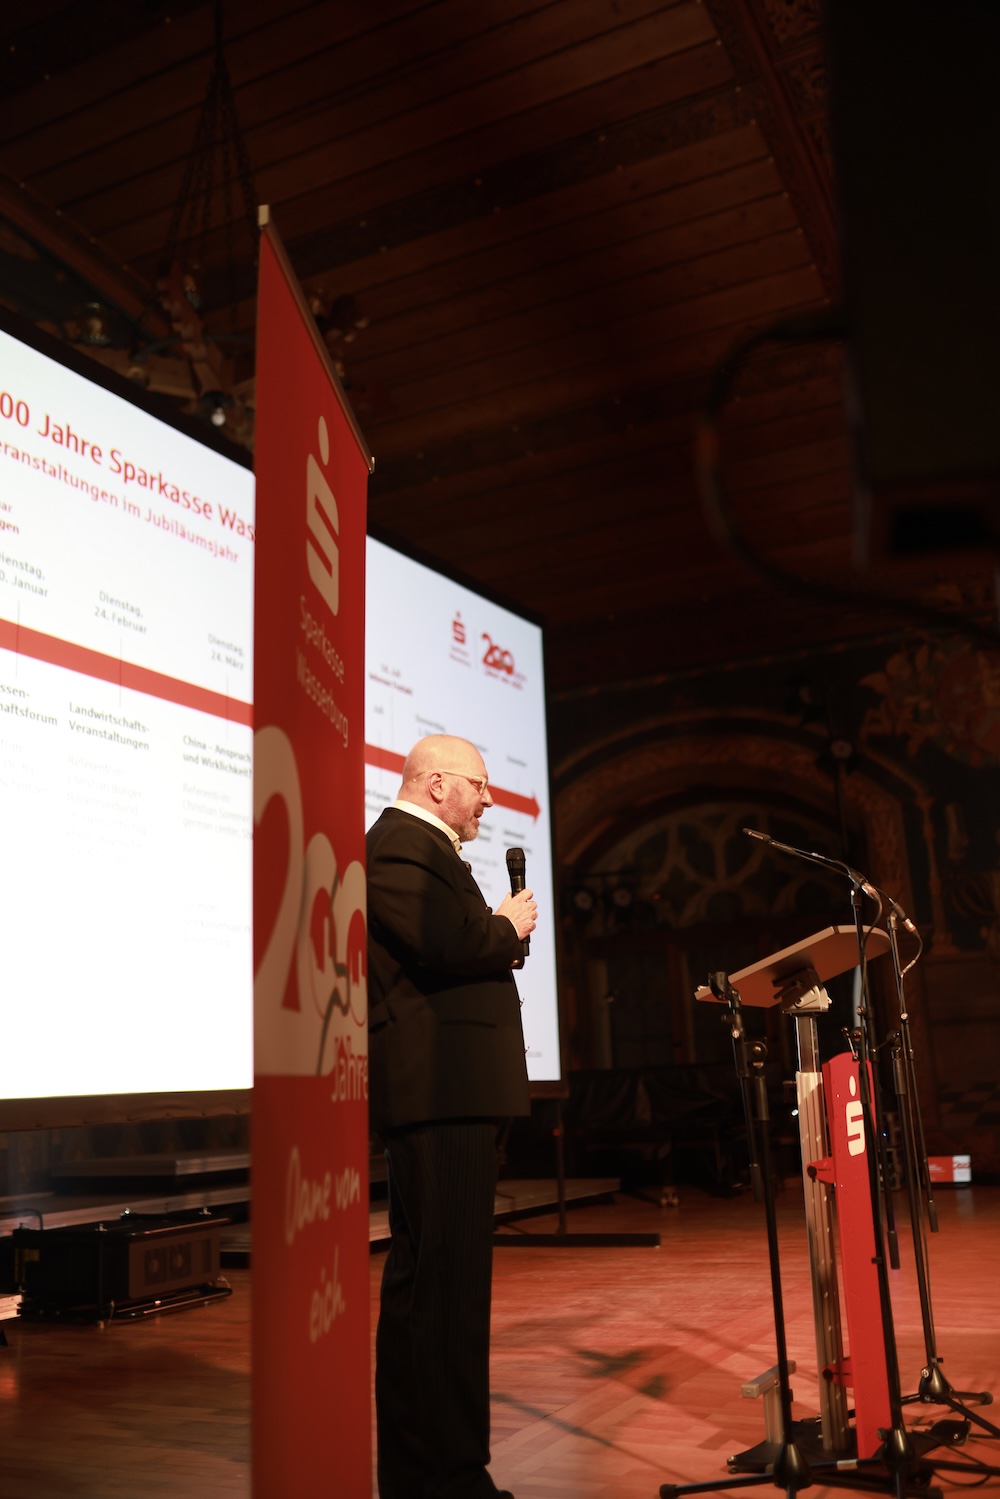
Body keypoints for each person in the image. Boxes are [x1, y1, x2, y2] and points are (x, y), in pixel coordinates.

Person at [367, 733, 538, 1499]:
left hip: (452, 1093)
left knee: (438, 1290)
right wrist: (506, 926)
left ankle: (431, 1476)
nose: (489, 799)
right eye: (480, 784)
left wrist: (498, 933)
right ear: (437, 784)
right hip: (440, 1093)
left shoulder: (422, 847)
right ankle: (448, 1479)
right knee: (443, 1295)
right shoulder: (402, 844)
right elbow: (442, 941)